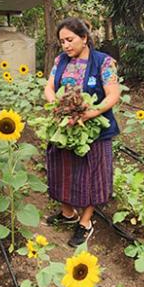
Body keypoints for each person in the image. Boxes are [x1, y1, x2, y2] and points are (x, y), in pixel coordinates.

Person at [43, 17, 121, 247]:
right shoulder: (60, 60)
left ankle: (85, 222)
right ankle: (68, 214)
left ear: (84, 38)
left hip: (94, 131)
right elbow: (49, 87)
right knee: (61, 170)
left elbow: (113, 94)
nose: (66, 45)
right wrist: (57, 105)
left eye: (70, 39)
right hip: (65, 127)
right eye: (62, 41)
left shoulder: (103, 62)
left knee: (92, 176)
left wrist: (91, 113)